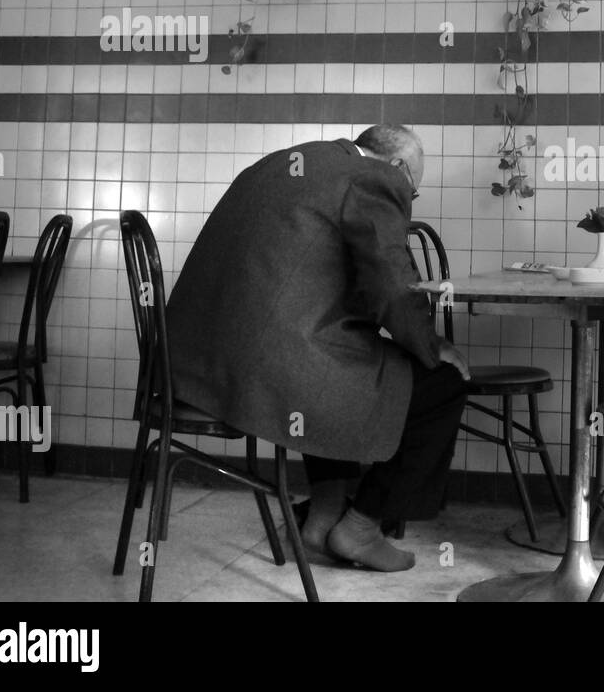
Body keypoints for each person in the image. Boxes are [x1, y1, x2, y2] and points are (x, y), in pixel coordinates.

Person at [166, 124, 469, 572]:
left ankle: (320, 521)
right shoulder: (375, 178)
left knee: (341, 359)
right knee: (442, 384)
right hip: (269, 365)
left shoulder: (278, 164)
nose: (407, 198)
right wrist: (430, 345)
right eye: (413, 191)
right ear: (399, 168)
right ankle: (360, 528)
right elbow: (391, 283)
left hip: (192, 364)